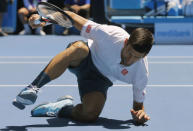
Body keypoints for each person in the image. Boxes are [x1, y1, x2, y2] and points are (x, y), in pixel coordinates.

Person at [13, 9, 154, 124]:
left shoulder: (141, 72)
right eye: (129, 53)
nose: (130, 59)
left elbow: (138, 107)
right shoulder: (111, 35)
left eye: (137, 57)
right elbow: (72, 17)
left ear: (144, 55)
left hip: (100, 80)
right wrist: (44, 20)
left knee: (89, 115)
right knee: (79, 48)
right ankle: (32, 88)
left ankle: (61, 108)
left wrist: (139, 116)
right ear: (125, 43)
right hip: (85, 57)